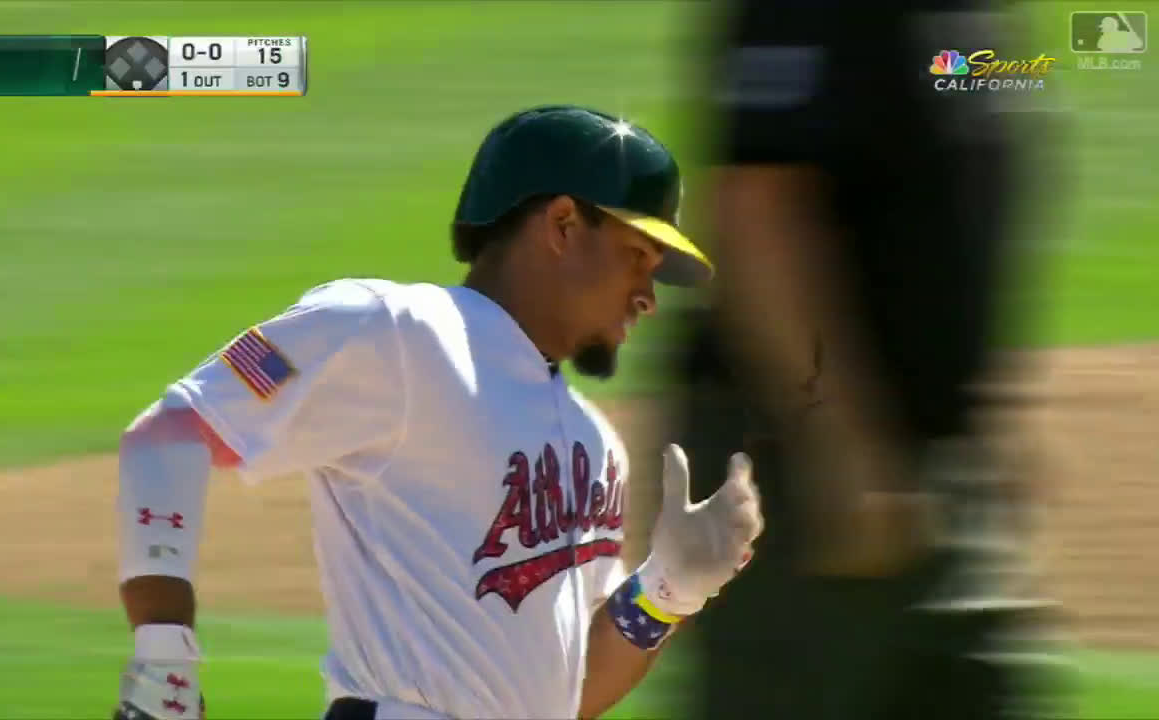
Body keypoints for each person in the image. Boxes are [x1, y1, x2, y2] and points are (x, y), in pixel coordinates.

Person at [111, 105, 764, 720]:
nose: (648, 296)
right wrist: (164, 653)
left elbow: (570, 694)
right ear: (563, 225)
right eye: (637, 257)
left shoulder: (594, 442)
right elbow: (170, 437)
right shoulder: (393, 329)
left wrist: (667, 591)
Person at [669, 0, 1069, 718]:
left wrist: (988, 419)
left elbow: (953, 198)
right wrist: (838, 446)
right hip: (799, 469)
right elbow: (756, 213)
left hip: (938, 468)